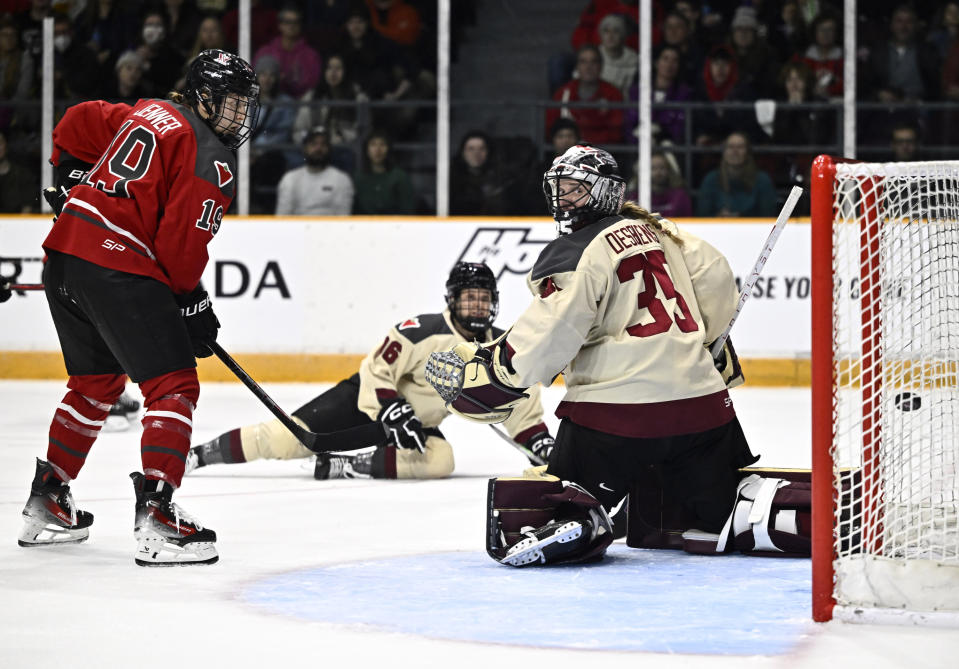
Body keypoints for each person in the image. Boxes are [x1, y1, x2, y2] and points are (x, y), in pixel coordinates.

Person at [425, 144, 757, 567]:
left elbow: (546, 339)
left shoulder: (574, 252)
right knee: (717, 511)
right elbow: (714, 276)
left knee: (555, 497)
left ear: (604, 192)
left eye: (575, 190)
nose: (562, 200)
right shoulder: (666, 233)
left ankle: (584, 514)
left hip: (618, 419)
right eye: (559, 189)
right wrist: (709, 344)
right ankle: (746, 510)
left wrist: (491, 371)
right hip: (705, 413)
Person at [17, 49, 261, 567]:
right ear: (202, 96)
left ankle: (47, 500)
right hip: (116, 264)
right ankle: (157, 515)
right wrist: (191, 302)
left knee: (95, 383)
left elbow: (75, 121)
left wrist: (69, 180)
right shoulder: (210, 155)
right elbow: (178, 250)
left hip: (63, 256)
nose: (238, 116)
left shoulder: (148, 112)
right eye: (231, 103)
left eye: (244, 105)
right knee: (173, 384)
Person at [185, 262, 554, 480]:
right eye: (469, 297)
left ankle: (346, 465)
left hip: (413, 423)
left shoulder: (499, 349)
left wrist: (536, 439)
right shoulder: (421, 331)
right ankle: (196, 455)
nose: (477, 305)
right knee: (283, 440)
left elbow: (519, 400)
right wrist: (392, 408)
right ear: (452, 301)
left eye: (484, 298)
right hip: (365, 404)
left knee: (440, 460)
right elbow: (377, 372)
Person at [546, 44, 624, 146]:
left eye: (594, 62)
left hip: (601, 154)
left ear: (601, 66)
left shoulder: (613, 94)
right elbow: (550, 129)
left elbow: (616, 133)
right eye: (583, 62)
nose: (588, 67)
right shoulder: (563, 93)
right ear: (577, 66)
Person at [275, 125, 354, 215]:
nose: (318, 148)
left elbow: (344, 220)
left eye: (323, 144)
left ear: (329, 149)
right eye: (313, 144)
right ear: (305, 148)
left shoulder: (342, 179)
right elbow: (282, 219)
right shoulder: (290, 179)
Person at [696, 131, 777, 218]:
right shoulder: (711, 180)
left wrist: (740, 219)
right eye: (730, 147)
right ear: (724, 152)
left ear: (747, 152)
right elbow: (701, 216)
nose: (735, 151)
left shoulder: (763, 180)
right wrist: (718, 217)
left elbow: (768, 217)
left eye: (740, 147)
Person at [352, 129, 416, 215]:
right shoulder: (357, 178)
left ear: (388, 149)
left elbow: (408, 211)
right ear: (367, 150)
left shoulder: (400, 177)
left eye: (383, 145)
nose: (378, 150)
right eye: (373, 144)